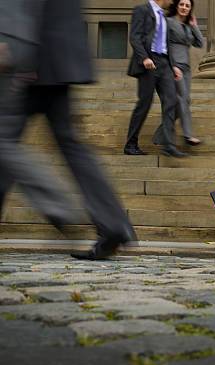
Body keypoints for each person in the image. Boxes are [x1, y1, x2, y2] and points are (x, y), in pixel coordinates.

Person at [1, 0, 137, 260]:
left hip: (30, 54)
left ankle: (58, 205)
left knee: (5, 141)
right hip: (59, 54)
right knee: (70, 145)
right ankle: (113, 224)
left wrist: (17, 48)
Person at [0, 0, 77, 231]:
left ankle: (55, 202)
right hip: (18, 44)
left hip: (10, 44)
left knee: (3, 142)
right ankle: (55, 203)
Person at [124, 0, 187, 158]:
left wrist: (173, 66)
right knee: (144, 102)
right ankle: (131, 143)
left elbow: (166, 45)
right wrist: (144, 57)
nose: (172, 1)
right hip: (148, 63)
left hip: (164, 64)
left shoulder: (164, 17)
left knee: (172, 101)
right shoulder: (142, 10)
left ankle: (168, 145)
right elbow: (135, 37)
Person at [153, 0, 204, 147]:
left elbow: (199, 43)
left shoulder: (188, 26)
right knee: (182, 99)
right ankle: (188, 135)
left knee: (184, 100)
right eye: (182, 4)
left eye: (187, 6)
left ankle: (160, 135)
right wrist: (173, 65)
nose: (184, 8)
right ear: (177, 6)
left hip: (186, 68)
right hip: (174, 66)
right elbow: (163, 45)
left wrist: (194, 25)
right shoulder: (168, 22)